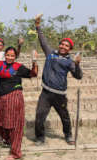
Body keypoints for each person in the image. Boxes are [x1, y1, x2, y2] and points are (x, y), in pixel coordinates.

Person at [0, 43, 38, 160]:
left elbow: (33, 74)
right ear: (5, 55)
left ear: (15, 56)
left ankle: (16, 152)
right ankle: (7, 141)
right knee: (1, 121)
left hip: (14, 97)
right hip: (2, 98)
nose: (10, 57)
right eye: (8, 55)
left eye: (12, 56)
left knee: (14, 124)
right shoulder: (0, 64)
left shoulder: (18, 67)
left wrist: (34, 62)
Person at [34, 15, 83, 146]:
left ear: (69, 49)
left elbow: (78, 76)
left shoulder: (70, 62)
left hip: (59, 95)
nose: (63, 46)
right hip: (46, 93)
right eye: (62, 44)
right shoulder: (50, 53)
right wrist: (38, 26)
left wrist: (77, 65)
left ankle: (68, 135)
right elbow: (43, 41)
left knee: (64, 117)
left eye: (66, 46)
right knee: (39, 116)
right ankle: (40, 138)